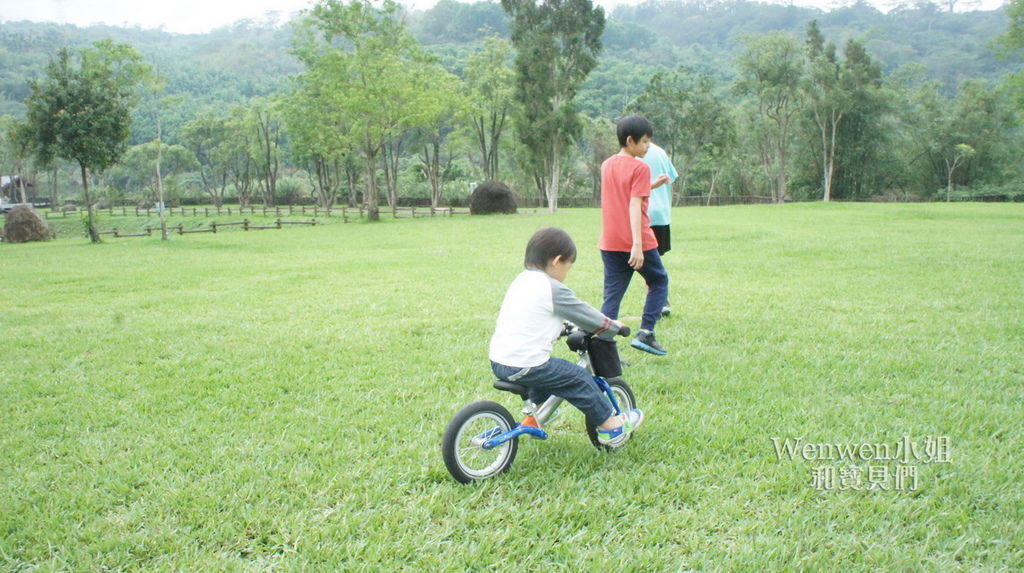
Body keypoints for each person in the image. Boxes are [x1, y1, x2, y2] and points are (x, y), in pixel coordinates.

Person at [489, 227, 644, 448]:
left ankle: (540, 411)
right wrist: (612, 327)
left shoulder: (522, 281)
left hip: (500, 361)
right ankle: (610, 426)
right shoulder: (552, 288)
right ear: (557, 261)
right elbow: (586, 314)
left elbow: (534, 319)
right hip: (525, 364)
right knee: (577, 377)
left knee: (551, 373)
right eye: (568, 267)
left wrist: (563, 328)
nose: (566, 273)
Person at [599, 114, 670, 356]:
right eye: (645, 142)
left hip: (610, 242)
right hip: (635, 241)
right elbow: (633, 205)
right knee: (659, 281)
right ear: (630, 141)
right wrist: (637, 245)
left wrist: (652, 186)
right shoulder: (640, 167)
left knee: (612, 298)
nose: (648, 147)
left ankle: (603, 353)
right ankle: (646, 333)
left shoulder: (607, 165)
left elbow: (625, 194)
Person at [640, 141, 678, 317]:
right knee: (654, 261)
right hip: (662, 214)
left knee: (647, 263)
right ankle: (660, 301)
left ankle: (658, 303)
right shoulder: (661, 152)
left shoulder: (632, 153)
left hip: (642, 213)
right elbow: (671, 180)